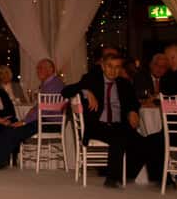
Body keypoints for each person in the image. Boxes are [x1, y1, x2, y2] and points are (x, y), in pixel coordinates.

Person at [62, 54, 146, 188]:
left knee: (144, 142)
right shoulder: (92, 80)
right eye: (109, 66)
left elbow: (133, 102)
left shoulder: (124, 84)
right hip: (97, 125)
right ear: (102, 66)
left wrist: (133, 111)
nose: (113, 70)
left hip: (119, 125)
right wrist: (86, 91)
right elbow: (65, 91)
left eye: (117, 67)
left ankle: (156, 177)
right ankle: (112, 179)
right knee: (119, 138)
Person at [0, 59, 64, 171]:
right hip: (43, 120)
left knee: (14, 130)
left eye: (41, 68)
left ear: (51, 69)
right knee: (12, 129)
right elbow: (40, 108)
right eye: (37, 68)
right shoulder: (49, 84)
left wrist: (24, 121)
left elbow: (42, 109)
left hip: (49, 122)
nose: (38, 71)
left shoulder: (54, 85)